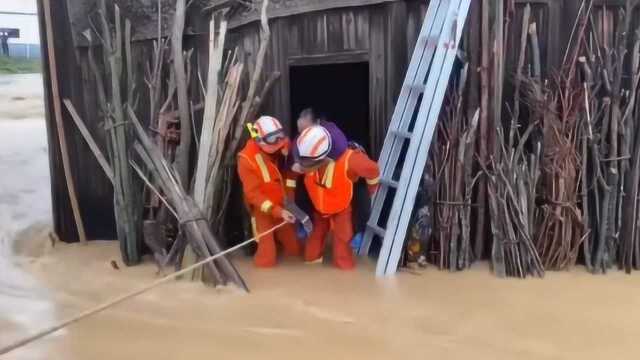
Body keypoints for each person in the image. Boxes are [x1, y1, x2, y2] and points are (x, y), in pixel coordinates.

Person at [296, 125, 380, 269]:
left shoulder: (351, 159)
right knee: (312, 248)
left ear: (324, 158)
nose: (304, 167)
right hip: (319, 208)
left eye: (309, 164)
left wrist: (370, 190)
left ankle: (345, 281)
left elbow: (373, 170)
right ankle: (311, 274)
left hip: (342, 208)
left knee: (343, 245)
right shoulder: (307, 153)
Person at [237, 116, 302, 267]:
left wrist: (289, 201)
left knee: (294, 249)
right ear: (259, 140)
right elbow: (253, 195)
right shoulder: (246, 160)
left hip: (282, 204)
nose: (279, 142)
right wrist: (278, 211)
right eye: (274, 139)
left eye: (280, 136)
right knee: (267, 257)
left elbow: (286, 145)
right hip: (263, 209)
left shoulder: (279, 142)